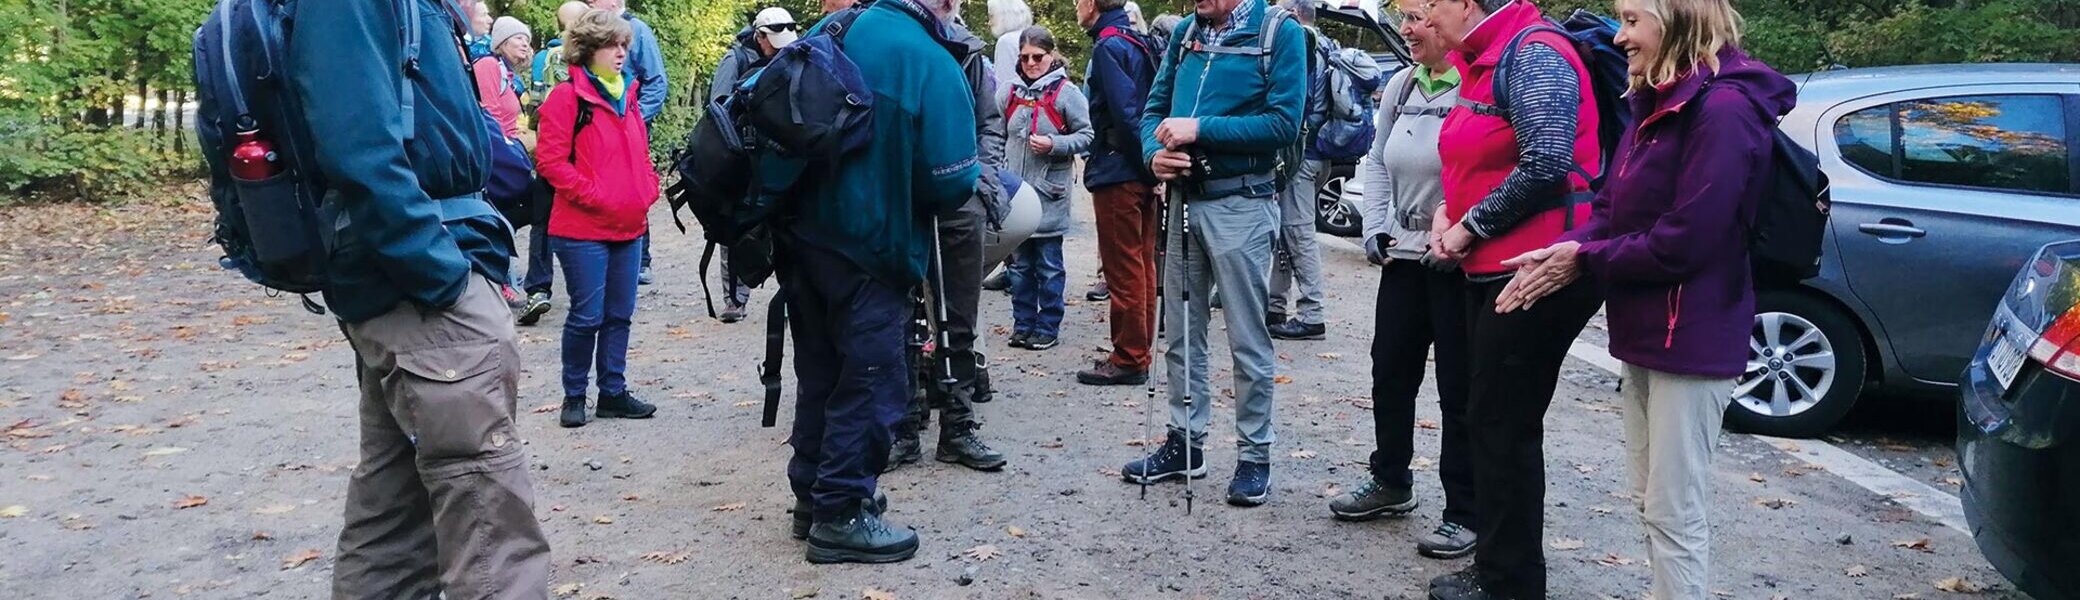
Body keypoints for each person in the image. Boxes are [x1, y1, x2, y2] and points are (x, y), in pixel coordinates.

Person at [1497, 1, 1791, 597]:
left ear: (1677, 19)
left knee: (1674, 510)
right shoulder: (1654, 101)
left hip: (1695, 336)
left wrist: (1582, 259)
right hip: (1643, 330)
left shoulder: (1726, 111)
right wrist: (1565, 250)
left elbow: (1687, 240)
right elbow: (1609, 211)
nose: (1618, 35)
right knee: (1650, 501)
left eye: (1632, 20)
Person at [284, 1, 551, 596]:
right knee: (491, 533)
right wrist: (441, 275)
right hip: (423, 291)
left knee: (395, 513)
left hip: (417, 285)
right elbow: (359, 147)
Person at [778, 0, 980, 564]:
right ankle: (841, 512)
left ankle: (812, 497)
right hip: (873, 243)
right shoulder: (926, 56)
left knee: (819, 369)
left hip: (801, 238)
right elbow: (954, 179)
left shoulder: (832, 28)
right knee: (871, 377)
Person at [1421, 0, 1608, 598]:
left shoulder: (1535, 52)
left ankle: (1510, 582)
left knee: (1504, 423)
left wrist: (1469, 225)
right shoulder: (1484, 58)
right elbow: (1476, 153)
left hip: (1534, 269)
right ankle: (1501, 567)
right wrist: (1448, 208)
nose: (1421, 14)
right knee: (1491, 417)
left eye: (1428, 3)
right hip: (1492, 264)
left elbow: (1548, 165)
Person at [1120, 0, 1306, 508]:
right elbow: (1153, 110)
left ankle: (1254, 457)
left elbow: (1285, 123)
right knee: (1181, 330)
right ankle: (1184, 444)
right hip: (1183, 198)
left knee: (1247, 336)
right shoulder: (1185, 31)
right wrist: (1152, 155)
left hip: (1242, 202)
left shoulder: (1279, 31)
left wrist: (1200, 128)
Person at [1328, 0, 1478, 561]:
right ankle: (1390, 481)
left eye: (1417, 17)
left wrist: (1461, 234)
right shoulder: (1400, 85)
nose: (1408, 29)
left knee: (1459, 388)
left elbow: (1489, 166)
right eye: (1404, 19)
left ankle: (1464, 511)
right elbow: (1375, 159)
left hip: (1458, 259)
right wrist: (1374, 229)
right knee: (1390, 372)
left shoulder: (1475, 84)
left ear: (1447, 23)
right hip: (1404, 255)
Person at [886, 0, 1013, 474]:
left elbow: (990, 126)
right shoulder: (896, 48)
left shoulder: (970, 55)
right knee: (899, 315)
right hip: (903, 202)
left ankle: (958, 425)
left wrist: (979, 178)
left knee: (959, 316)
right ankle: (901, 424)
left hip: (960, 200)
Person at [536, 9, 662, 429]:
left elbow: (640, 155)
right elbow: (551, 162)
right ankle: (574, 395)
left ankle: (612, 392)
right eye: (612, 45)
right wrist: (597, 195)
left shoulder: (628, 94)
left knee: (619, 314)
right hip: (581, 228)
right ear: (588, 50)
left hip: (628, 224)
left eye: (624, 45)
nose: (621, 53)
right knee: (587, 316)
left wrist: (646, 189)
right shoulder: (566, 99)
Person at [1073, 0, 1161, 386]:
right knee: (1141, 263)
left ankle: (1129, 357)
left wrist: (1143, 162)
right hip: (1139, 168)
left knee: (1124, 267)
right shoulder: (1138, 39)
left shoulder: (1110, 45)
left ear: (1091, 4)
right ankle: (1136, 351)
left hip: (1119, 169)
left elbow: (1127, 115)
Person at [999, 26, 1092, 353]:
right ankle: (1023, 324)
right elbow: (995, 135)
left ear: (1051, 56)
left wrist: (1055, 144)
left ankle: (1048, 325)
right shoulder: (1009, 93)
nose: (1031, 63)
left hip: (1049, 194)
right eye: (1024, 58)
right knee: (1020, 267)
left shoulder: (1066, 93)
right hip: (1015, 199)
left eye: (1037, 57)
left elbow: (1086, 136)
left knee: (1049, 266)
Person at [705, 7, 801, 324]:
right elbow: (719, 108)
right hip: (747, 158)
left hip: (782, 158)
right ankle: (734, 299)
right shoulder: (736, 59)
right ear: (759, 36)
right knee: (738, 228)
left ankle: (791, 297)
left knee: (789, 230)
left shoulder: (795, 55)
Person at [518, 0, 594, 326]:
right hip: (587, 152)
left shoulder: (542, 58)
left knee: (543, 221)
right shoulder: (596, 56)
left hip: (551, 148)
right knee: (587, 216)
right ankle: (589, 288)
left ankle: (538, 289)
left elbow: (534, 105)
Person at [587, 0, 667, 284]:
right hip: (598, 130)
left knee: (633, 188)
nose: (587, 3)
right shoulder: (593, 31)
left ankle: (641, 260)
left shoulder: (638, 30)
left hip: (630, 128)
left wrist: (632, 119)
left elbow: (657, 82)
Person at [1267, 0, 1333, 341]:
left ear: (1292, 13)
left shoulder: (1301, 44)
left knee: (1297, 230)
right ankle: (1275, 305)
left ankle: (1312, 313)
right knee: (1285, 229)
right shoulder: (1327, 46)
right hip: (1317, 153)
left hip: (1302, 154)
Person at [473, 17, 533, 143]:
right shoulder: (488, 65)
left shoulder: (507, 72)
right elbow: (489, 115)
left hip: (511, 141)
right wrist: (508, 150)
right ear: (503, 41)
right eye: (519, 38)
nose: (525, 44)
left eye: (527, 40)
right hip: (500, 148)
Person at [987, 0, 1035, 93]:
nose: (989, 22)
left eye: (992, 16)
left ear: (1003, 16)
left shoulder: (1006, 42)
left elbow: (1005, 85)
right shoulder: (1032, 36)